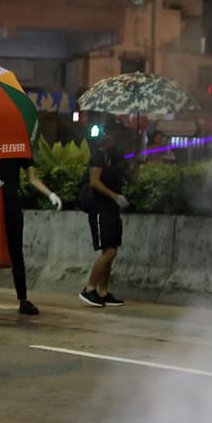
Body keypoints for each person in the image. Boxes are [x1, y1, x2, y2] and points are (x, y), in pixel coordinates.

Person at [0, 153, 62, 317]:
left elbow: (33, 178)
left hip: (12, 205)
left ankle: (23, 300)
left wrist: (50, 194)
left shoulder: (20, 149)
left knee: (16, 252)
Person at [79, 121, 135, 308]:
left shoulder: (118, 158)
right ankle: (89, 289)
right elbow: (94, 181)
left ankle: (103, 291)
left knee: (111, 250)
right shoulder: (100, 155)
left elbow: (134, 180)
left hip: (112, 209)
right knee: (109, 251)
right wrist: (115, 196)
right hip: (100, 207)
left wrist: (137, 163)